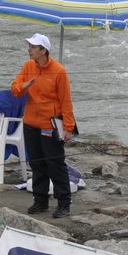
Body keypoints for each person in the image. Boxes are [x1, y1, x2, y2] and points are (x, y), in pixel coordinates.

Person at [9, 32, 76, 218]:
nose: (29, 49)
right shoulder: (28, 66)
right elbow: (14, 89)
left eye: (33, 46)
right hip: (30, 122)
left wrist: (68, 128)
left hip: (50, 124)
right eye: (29, 45)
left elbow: (66, 101)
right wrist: (24, 86)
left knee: (55, 164)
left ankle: (64, 203)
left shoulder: (59, 71)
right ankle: (40, 201)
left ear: (43, 50)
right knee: (36, 163)